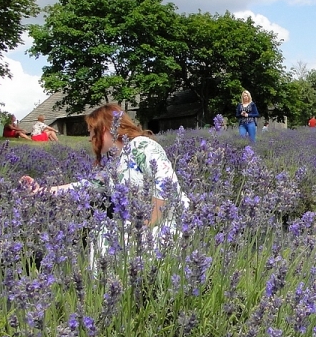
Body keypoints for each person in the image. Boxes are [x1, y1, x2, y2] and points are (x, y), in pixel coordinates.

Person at [20, 104, 189, 256]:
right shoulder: (114, 161)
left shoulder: (142, 146)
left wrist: (139, 229)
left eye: (92, 131)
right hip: (141, 226)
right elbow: (87, 185)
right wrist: (41, 190)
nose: (89, 138)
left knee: (107, 240)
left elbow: (166, 188)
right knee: (102, 236)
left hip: (171, 226)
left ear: (106, 129)